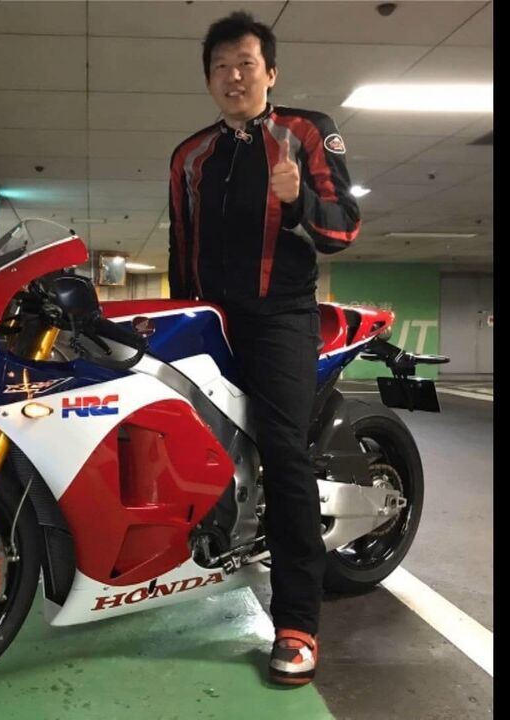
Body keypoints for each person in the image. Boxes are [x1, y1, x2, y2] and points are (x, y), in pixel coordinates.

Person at [168, 10, 361, 686]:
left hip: (281, 317)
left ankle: (298, 623)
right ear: (208, 79)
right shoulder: (189, 156)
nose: (233, 76)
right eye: (220, 66)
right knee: (185, 436)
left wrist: (300, 198)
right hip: (209, 320)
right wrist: (176, 320)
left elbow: (344, 229)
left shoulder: (305, 132)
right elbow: (180, 248)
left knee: (284, 454)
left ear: (270, 72)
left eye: (246, 63)